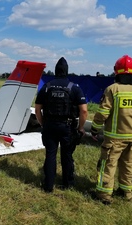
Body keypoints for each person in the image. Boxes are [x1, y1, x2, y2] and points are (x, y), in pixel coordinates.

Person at [90, 55, 132, 204]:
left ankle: (104, 195)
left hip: (114, 138)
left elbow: (103, 113)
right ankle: (126, 192)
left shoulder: (113, 89)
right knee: (128, 165)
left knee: (108, 165)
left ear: (116, 71)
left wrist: (94, 128)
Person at [35, 57, 88, 192]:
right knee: (67, 155)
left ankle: (48, 186)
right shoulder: (74, 88)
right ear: (67, 71)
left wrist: (43, 124)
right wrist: (80, 127)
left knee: (50, 154)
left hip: (50, 126)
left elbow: (37, 109)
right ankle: (68, 184)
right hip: (67, 127)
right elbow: (84, 111)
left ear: (55, 71)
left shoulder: (46, 87)